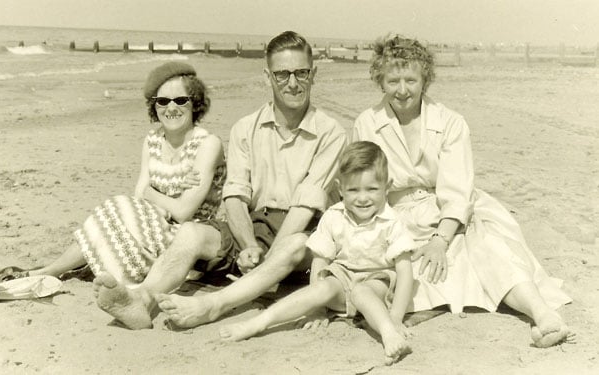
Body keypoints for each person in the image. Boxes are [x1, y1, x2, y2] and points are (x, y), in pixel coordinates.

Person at [352, 34, 574, 348]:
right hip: (397, 215)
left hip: (452, 212)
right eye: (393, 80)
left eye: (411, 80)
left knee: (489, 246)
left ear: (425, 79)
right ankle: (431, 304)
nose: (402, 90)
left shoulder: (450, 122)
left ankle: (543, 316)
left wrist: (441, 239)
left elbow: (457, 190)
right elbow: (365, 185)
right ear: (380, 80)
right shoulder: (367, 123)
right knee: (399, 269)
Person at [0, 61, 227, 329]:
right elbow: (139, 194)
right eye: (163, 101)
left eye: (180, 100)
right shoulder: (152, 141)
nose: (171, 108)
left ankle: (54, 272)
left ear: (195, 103)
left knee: (115, 207)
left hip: (188, 243)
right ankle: (50, 271)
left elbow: (183, 211)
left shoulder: (208, 144)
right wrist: (161, 197)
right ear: (154, 106)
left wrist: (153, 193)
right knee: (112, 212)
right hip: (156, 228)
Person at [156, 31, 349, 328]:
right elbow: (235, 196)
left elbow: (305, 208)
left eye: (301, 72)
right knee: (191, 233)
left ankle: (212, 305)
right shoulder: (245, 128)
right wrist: (248, 246)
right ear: (267, 77)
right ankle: (143, 299)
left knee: (295, 243)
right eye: (282, 74)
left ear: (314, 74)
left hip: (304, 235)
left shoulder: (331, 132)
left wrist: (267, 257)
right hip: (253, 228)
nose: (293, 83)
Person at [219, 141, 415, 365]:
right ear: (340, 189)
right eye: (353, 190)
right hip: (342, 278)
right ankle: (258, 323)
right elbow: (321, 262)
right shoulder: (334, 216)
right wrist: (317, 310)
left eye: (372, 189)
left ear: (387, 187)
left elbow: (405, 270)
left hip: (376, 280)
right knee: (321, 287)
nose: (362, 198)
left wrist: (397, 317)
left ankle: (389, 332)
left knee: (362, 291)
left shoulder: (392, 222)